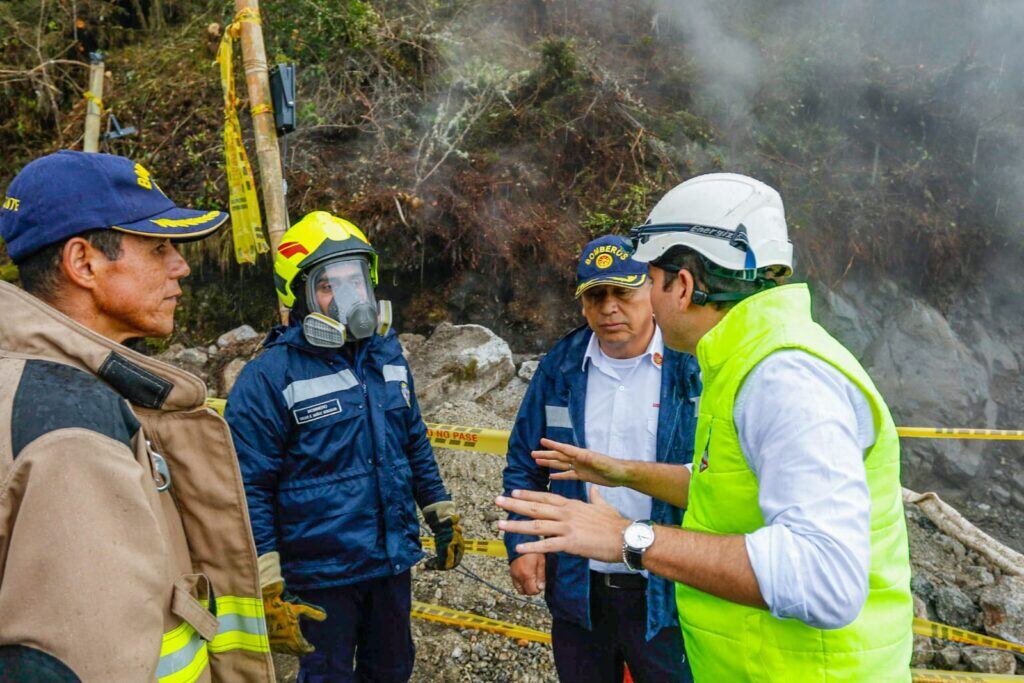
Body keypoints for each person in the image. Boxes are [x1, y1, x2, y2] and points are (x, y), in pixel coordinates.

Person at [497, 173, 914, 681]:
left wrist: (629, 538)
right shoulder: (742, 362)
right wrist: (623, 473)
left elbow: (823, 578)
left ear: (684, 286)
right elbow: (725, 488)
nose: (636, 302)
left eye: (647, 282)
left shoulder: (783, 377)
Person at [0, 150, 274, 681]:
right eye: (158, 247)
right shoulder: (72, 431)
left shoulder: (37, 386)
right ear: (83, 263)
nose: (182, 266)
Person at [226, 210, 465, 683]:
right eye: (329, 286)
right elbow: (246, 486)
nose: (349, 298)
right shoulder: (269, 378)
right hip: (319, 578)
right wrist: (268, 579)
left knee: (392, 670)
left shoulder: (388, 357)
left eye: (355, 282)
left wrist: (440, 510)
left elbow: (412, 440)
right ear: (298, 295)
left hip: (389, 563)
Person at [502, 235, 700, 683]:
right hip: (579, 590)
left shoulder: (691, 368)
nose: (609, 307)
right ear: (584, 306)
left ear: (651, 291)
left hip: (666, 590)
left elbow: (716, 474)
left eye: (622, 292)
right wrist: (521, 546)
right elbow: (524, 465)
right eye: (596, 295)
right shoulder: (561, 367)